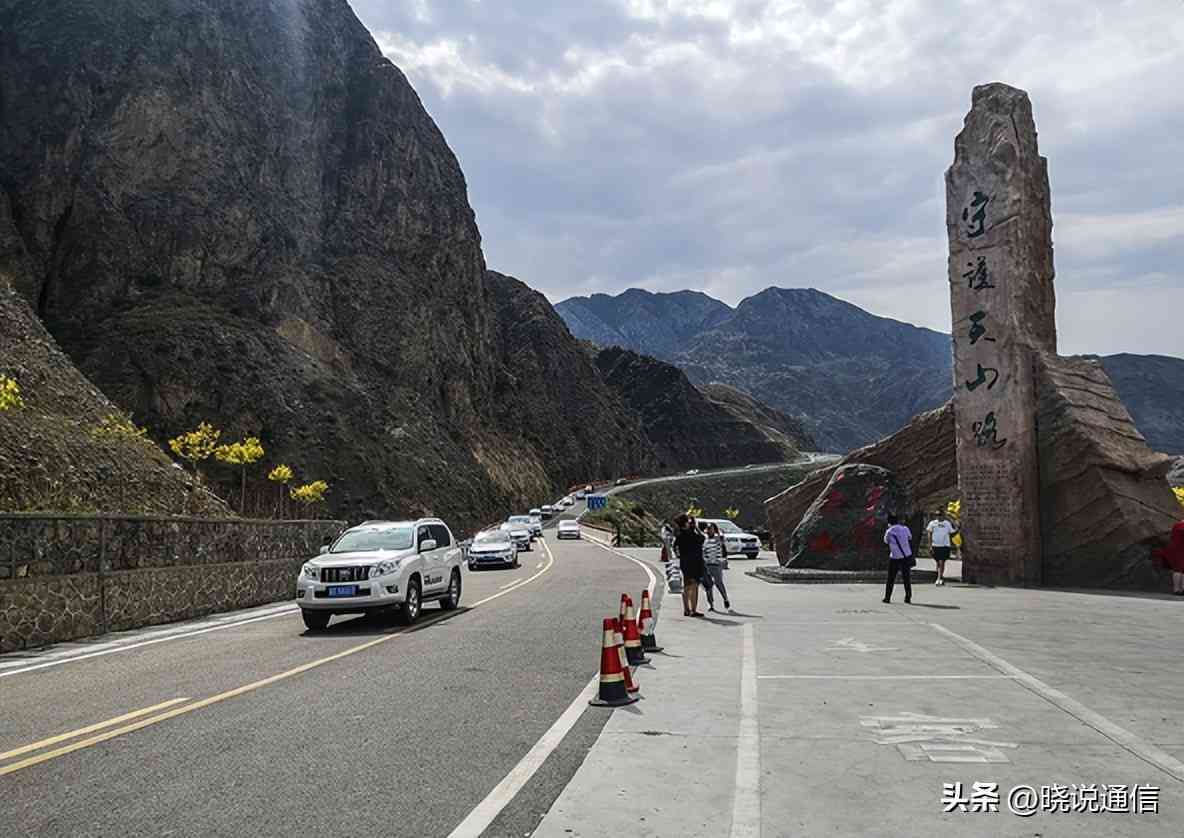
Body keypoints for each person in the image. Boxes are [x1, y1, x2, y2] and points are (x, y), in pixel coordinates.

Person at [673, 513, 706, 617]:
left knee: (687, 585)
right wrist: (696, 527)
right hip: (694, 562)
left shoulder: (679, 534)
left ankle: (686, 609)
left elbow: (675, 547)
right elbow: (702, 538)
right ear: (686, 523)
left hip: (684, 562)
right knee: (694, 586)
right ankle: (693, 610)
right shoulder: (691, 534)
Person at [882, 514, 914, 604]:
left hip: (895, 557)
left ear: (889, 523)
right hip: (906, 556)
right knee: (906, 578)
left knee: (891, 578)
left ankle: (887, 597)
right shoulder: (905, 528)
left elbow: (886, 541)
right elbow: (910, 537)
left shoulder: (889, 531)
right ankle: (908, 597)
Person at [701, 522, 731, 612]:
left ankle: (725, 599)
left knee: (719, 583)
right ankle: (711, 605)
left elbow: (722, 538)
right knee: (708, 586)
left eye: (711, 528)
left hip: (716, 565)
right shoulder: (705, 539)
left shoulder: (718, 538)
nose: (709, 530)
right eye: (708, 528)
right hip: (707, 565)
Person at [926, 508, 958, 586]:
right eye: (937, 515)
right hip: (935, 545)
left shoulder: (947, 523)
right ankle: (940, 576)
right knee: (938, 562)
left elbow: (952, 532)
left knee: (941, 561)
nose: (938, 516)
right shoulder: (932, 523)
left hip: (944, 545)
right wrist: (930, 546)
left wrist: (950, 517)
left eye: (940, 515)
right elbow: (929, 534)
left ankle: (939, 578)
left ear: (943, 515)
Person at [1152, 520, 1184, 596]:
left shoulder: (1177, 525)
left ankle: (1179, 589)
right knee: (1179, 570)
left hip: (1176, 549)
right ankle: (1179, 589)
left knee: (1179, 570)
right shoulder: (1181, 526)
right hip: (1180, 550)